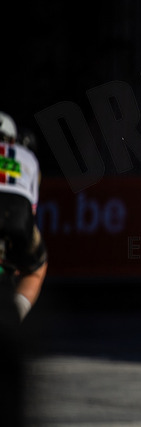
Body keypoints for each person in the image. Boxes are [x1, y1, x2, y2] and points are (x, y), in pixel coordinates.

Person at [0, 111, 48, 322]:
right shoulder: (27, 156)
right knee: (36, 268)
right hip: (18, 213)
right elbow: (32, 207)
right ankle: (15, 317)